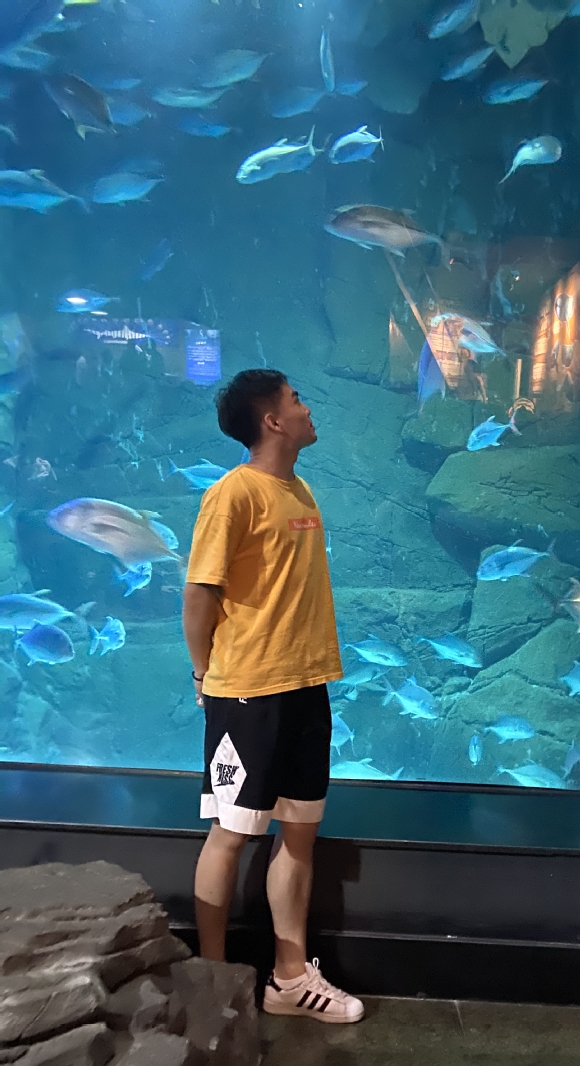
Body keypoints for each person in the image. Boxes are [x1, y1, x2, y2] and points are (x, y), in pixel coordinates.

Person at [182, 368, 364, 1024]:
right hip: (247, 693)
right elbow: (200, 592)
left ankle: (289, 979)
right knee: (229, 834)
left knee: (300, 833)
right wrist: (203, 675)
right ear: (272, 420)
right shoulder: (232, 493)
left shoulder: (300, 490)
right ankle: (212, 982)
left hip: (306, 684)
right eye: (296, 399)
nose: (307, 407)